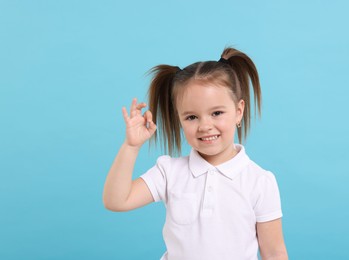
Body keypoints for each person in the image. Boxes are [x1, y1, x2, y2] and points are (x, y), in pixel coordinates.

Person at [103, 47, 288, 260]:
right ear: (179, 118)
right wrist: (131, 147)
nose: (205, 126)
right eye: (192, 117)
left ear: (239, 111)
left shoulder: (259, 181)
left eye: (216, 113)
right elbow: (116, 201)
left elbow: (274, 253)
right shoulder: (169, 172)